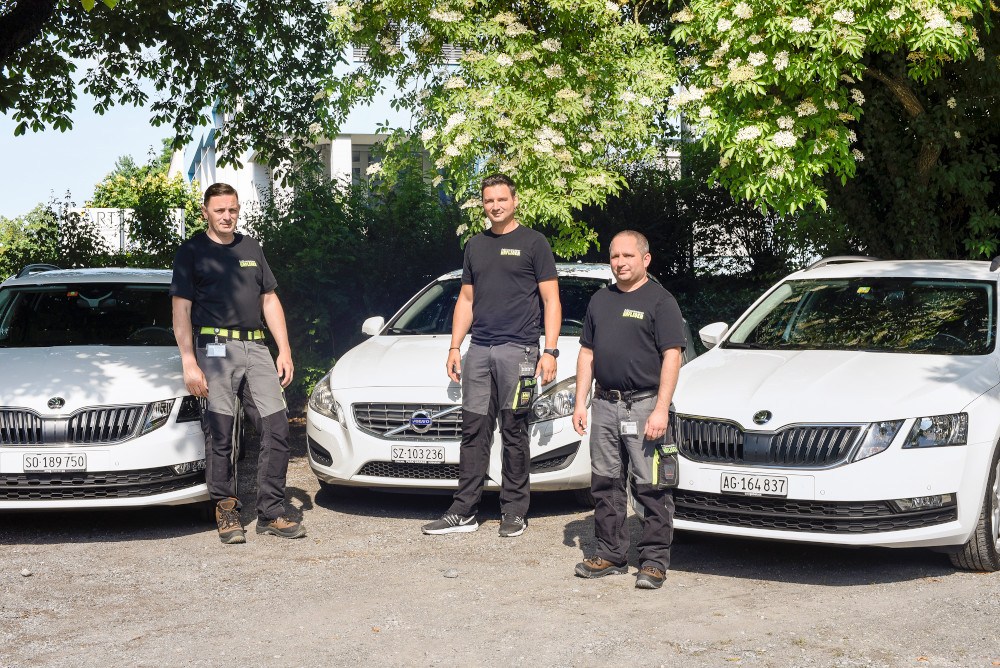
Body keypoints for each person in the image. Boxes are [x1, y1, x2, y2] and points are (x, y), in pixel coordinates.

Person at [422, 173, 562, 538]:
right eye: (489, 201)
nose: (495, 206)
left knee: (514, 430)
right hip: (479, 350)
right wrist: (455, 346)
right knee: (473, 431)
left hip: (520, 350)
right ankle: (464, 510)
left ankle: (514, 511)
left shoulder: (535, 243)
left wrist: (550, 350)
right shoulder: (475, 245)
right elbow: (465, 300)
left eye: (501, 199)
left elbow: (551, 300)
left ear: (515, 201)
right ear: (483, 205)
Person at [170, 182, 305, 544]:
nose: (227, 216)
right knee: (222, 431)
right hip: (214, 347)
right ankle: (227, 510)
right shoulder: (192, 251)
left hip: (257, 348)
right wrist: (188, 361)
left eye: (232, 209)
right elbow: (180, 309)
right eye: (219, 210)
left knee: (277, 427)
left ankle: (271, 511)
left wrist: (285, 349)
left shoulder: (251, 248)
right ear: (205, 213)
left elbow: (269, 300)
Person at [571, 230, 685, 589]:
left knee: (651, 486)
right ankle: (611, 553)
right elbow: (587, 353)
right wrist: (580, 401)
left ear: (645, 259)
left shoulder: (661, 301)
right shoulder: (600, 300)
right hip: (604, 404)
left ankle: (653, 561)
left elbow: (673, 356)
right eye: (615, 256)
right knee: (605, 483)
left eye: (628, 256)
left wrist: (661, 409)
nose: (620, 263)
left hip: (645, 405)